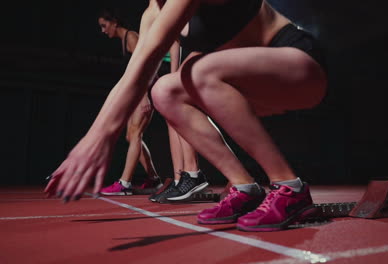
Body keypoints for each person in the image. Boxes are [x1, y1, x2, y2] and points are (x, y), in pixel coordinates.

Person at [45, 0, 327, 232]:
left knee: (196, 71)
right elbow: (135, 73)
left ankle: (291, 188)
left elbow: (147, 61)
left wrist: (101, 137)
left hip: (299, 66)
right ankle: (245, 187)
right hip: (253, 90)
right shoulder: (152, 14)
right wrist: (94, 137)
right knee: (165, 91)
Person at [96, 8, 208, 200]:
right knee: (135, 134)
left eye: (104, 25)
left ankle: (127, 182)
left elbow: (149, 64)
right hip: (152, 83)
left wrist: (144, 95)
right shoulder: (148, 16)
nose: (103, 30)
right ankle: (172, 178)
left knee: (140, 132)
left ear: (114, 22)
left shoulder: (134, 35)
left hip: (156, 82)